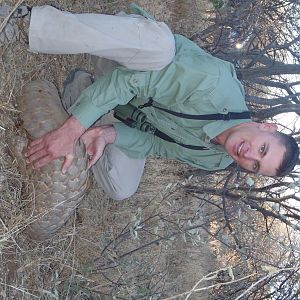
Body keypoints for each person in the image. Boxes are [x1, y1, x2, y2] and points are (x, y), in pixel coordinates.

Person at [2, 4, 299, 200]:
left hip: (124, 106)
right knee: (160, 46)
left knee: (122, 188)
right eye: (262, 148)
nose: (248, 154)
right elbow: (130, 80)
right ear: (267, 126)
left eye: (255, 165)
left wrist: (109, 134)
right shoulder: (214, 84)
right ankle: (31, 24)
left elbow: (155, 144)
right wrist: (72, 130)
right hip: (118, 53)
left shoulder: (217, 159)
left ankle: (81, 92)